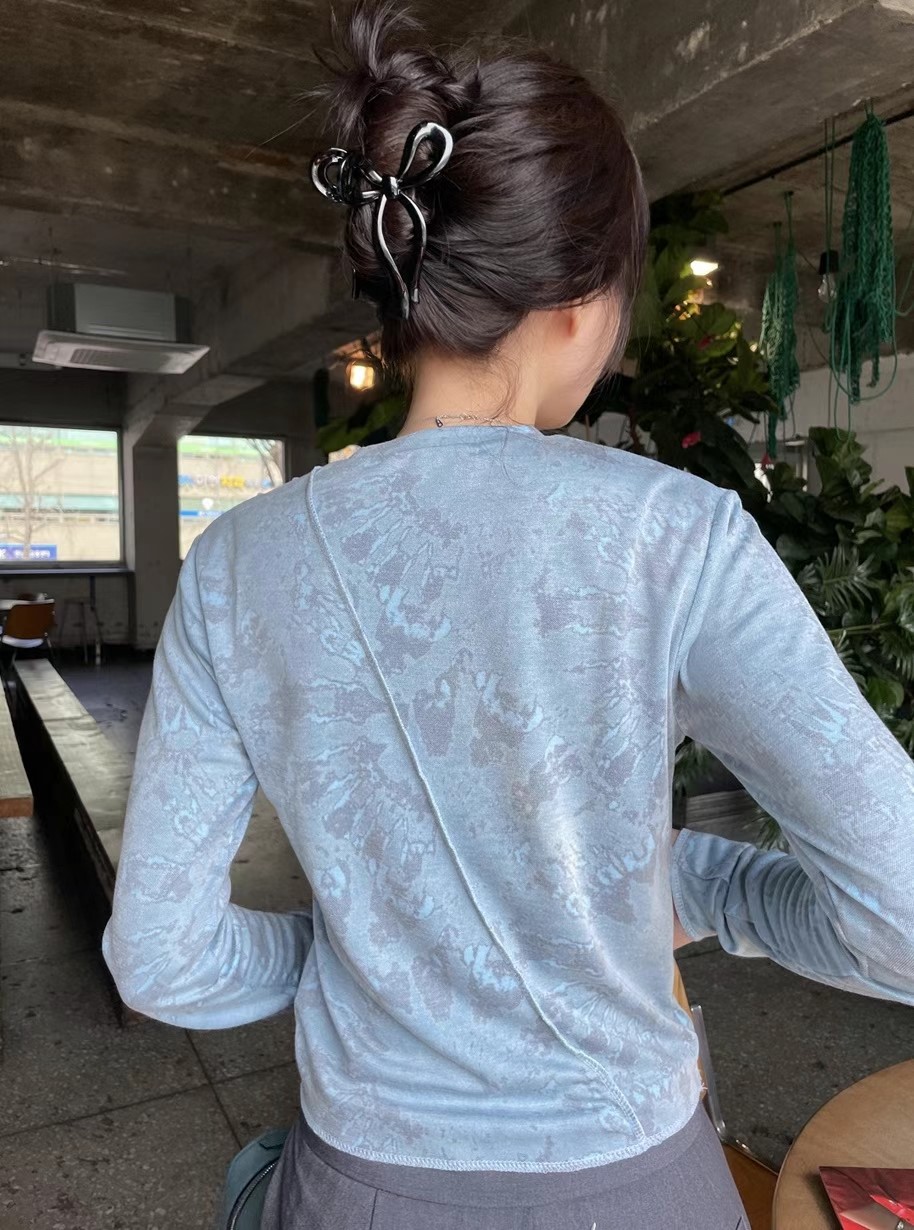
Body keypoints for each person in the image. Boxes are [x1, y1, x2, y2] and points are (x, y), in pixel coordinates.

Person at [101, 2, 914, 1227]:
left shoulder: (233, 565)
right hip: (636, 1191)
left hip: (354, 1192)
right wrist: (692, 885)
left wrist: (356, 950)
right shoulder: (673, 534)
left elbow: (161, 963)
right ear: (582, 298)